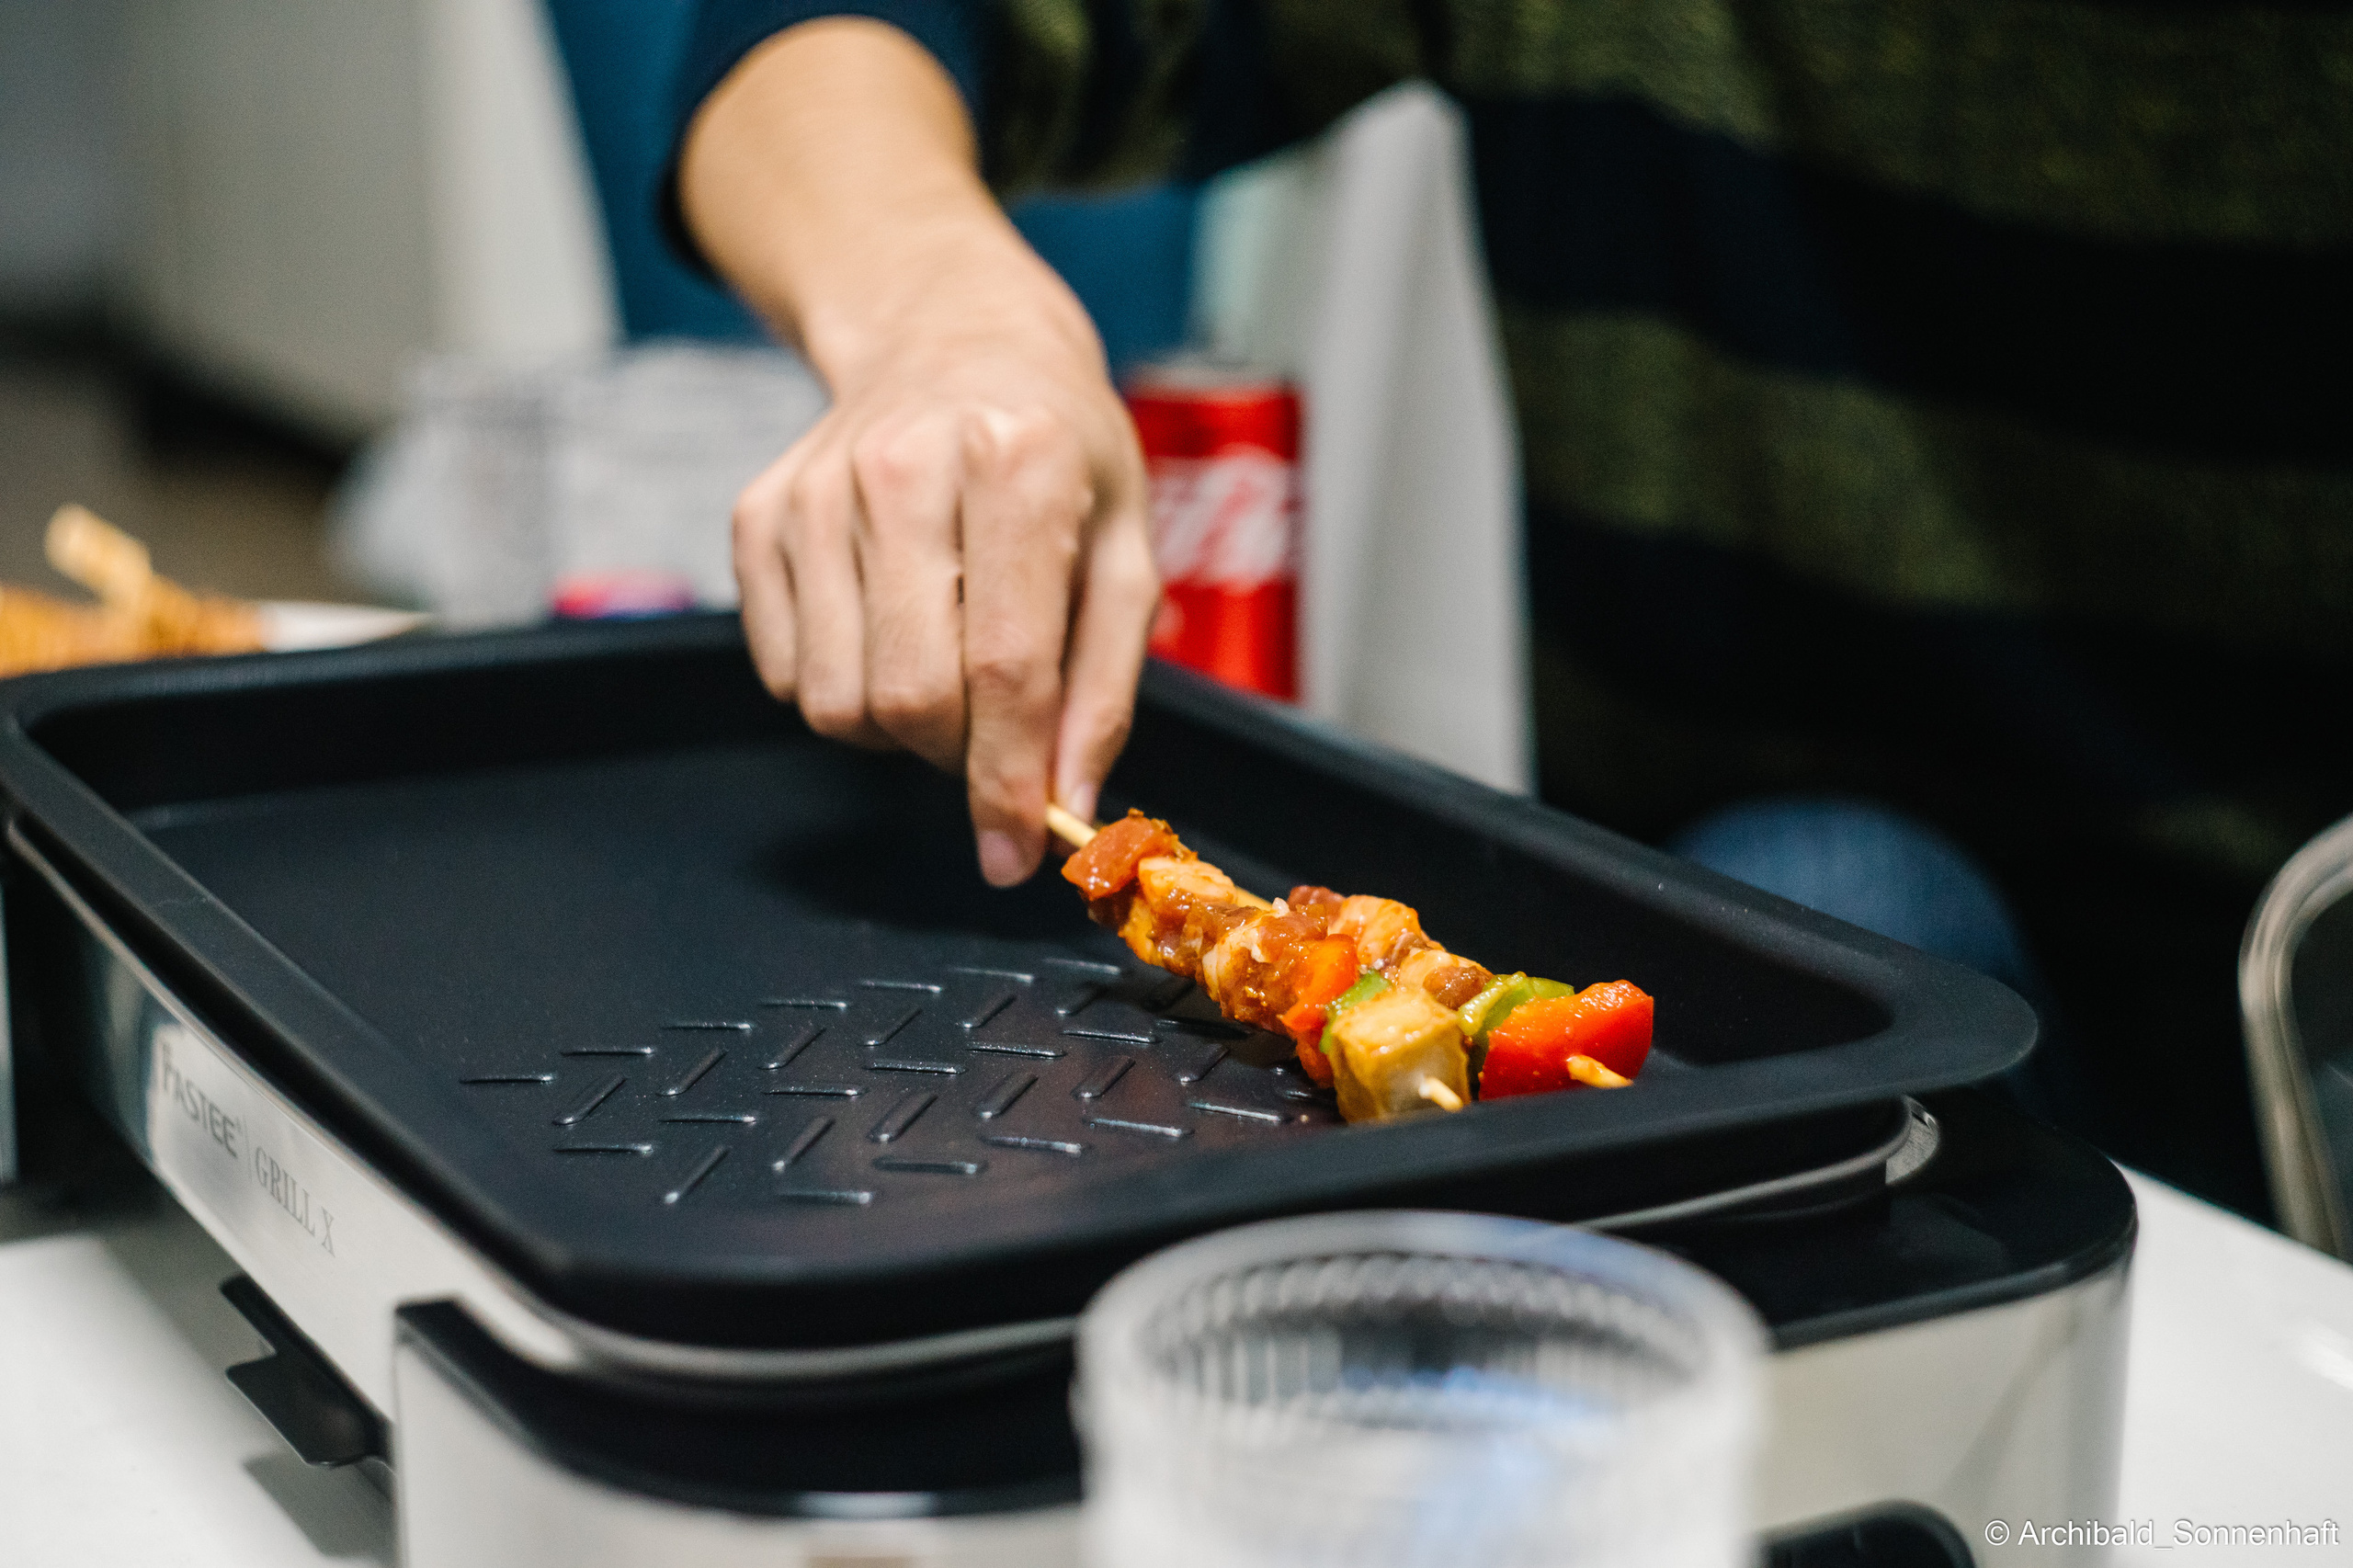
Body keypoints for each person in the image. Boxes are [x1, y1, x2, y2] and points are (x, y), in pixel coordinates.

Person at [667, 2, 2353, 1213]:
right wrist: (941, 316)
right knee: (1824, 878)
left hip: (2285, 1014)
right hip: (1711, 973)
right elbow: (797, 35)